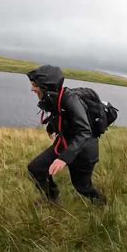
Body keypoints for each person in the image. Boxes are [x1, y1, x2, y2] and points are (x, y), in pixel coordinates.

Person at [26, 65, 105, 205]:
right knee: (36, 168)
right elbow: (62, 116)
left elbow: (84, 131)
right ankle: (52, 198)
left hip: (84, 151)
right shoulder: (54, 97)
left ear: (46, 86)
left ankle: (101, 204)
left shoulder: (70, 100)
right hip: (65, 145)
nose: (32, 88)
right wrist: (51, 126)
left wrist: (64, 159)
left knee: (82, 187)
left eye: (35, 85)